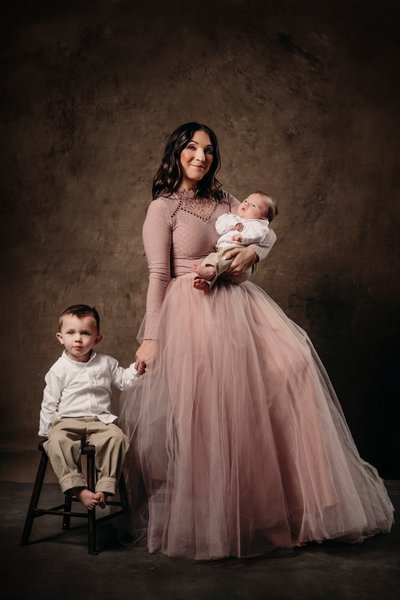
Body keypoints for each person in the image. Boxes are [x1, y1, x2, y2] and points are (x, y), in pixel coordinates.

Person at [119, 122, 394, 560]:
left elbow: (263, 229)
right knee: (215, 408)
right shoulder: (163, 208)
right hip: (190, 309)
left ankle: (301, 508)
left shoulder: (226, 200)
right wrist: (151, 337)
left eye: (208, 150)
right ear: (176, 153)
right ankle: (223, 518)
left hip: (238, 303)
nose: (200, 156)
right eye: (191, 147)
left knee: (294, 365)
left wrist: (254, 254)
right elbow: (158, 275)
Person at [39, 304, 144, 510]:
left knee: (117, 438)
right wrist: (46, 431)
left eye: (85, 333)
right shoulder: (58, 369)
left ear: (97, 338)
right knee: (58, 441)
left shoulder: (106, 363)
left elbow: (124, 381)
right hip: (67, 421)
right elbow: (49, 401)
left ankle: (104, 487)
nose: (78, 338)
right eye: (71, 333)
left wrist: (137, 369)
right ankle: (78, 489)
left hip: (100, 420)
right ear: (60, 337)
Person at [192, 191, 277, 291]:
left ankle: (211, 271)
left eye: (253, 205)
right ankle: (204, 282)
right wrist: (234, 223)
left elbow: (261, 235)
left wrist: (245, 240)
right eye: (245, 201)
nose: (246, 204)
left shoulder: (258, 225)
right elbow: (220, 226)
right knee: (215, 257)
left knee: (222, 256)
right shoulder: (232, 217)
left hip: (238, 258)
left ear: (263, 218)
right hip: (222, 257)